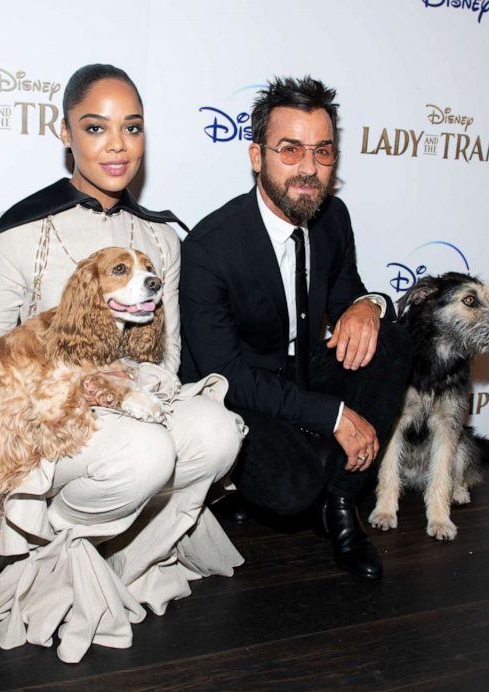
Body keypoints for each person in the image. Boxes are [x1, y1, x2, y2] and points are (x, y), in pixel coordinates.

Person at [0, 64, 245, 663]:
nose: (116, 144)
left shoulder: (161, 239)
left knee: (215, 432)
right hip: (51, 414)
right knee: (145, 453)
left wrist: (135, 391)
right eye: (95, 127)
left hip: (127, 391)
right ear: (65, 134)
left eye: (131, 128)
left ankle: (123, 558)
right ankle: (44, 560)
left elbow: (170, 352)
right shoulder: (24, 232)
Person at [179, 76, 411, 580]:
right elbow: (226, 373)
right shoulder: (209, 248)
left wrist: (368, 305)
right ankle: (260, 490)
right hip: (241, 389)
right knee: (290, 493)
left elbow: (349, 289)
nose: (309, 168)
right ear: (256, 156)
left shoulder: (333, 216)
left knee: (391, 337)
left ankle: (342, 506)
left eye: (323, 152)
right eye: (290, 150)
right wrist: (332, 415)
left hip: (303, 370)